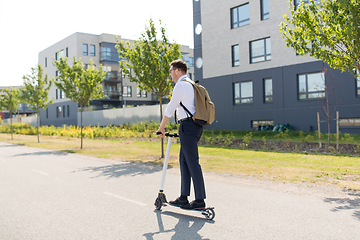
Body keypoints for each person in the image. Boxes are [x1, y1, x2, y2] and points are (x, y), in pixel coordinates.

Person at [157, 59, 206, 210]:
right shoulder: (191, 84)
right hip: (193, 126)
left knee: (192, 162)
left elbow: (170, 109)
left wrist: (161, 128)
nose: (170, 74)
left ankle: (199, 200)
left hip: (188, 126)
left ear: (178, 71)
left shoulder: (181, 85)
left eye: (171, 71)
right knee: (184, 161)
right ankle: (183, 197)